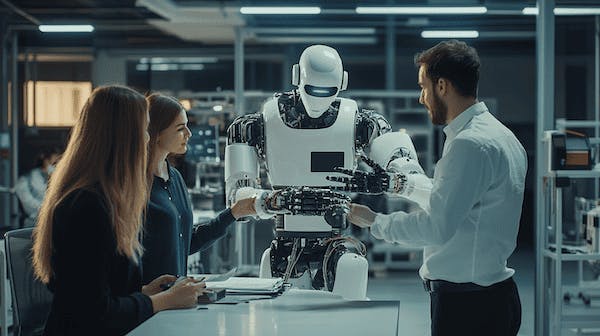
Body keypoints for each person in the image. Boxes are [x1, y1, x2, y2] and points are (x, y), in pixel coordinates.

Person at [339, 40, 526, 335]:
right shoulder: (500, 136)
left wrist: (375, 221)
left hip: (468, 308)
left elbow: (436, 227)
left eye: (423, 87)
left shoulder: (469, 145)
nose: (421, 97)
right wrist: (401, 184)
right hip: (492, 298)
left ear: (442, 86)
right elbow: (455, 204)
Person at [32, 85, 206, 336]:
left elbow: (99, 289)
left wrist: (145, 291)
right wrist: (164, 301)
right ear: (123, 137)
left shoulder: (105, 200)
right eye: (144, 130)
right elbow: (92, 314)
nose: (148, 138)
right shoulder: (86, 207)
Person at [141, 93, 256, 284]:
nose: (189, 133)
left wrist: (233, 213)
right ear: (157, 133)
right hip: (149, 304)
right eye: (180, 128)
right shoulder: (136, 184)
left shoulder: (175, 177)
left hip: (175, 299)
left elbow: (185, 243)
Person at [15, 147, 61, 227]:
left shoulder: (59, 180)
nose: (56, 166)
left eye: (58, 163)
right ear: (45, 160)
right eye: (54, 163)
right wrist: (49, 209)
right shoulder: (26, 180)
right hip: (32, 225)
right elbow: (29, 205)